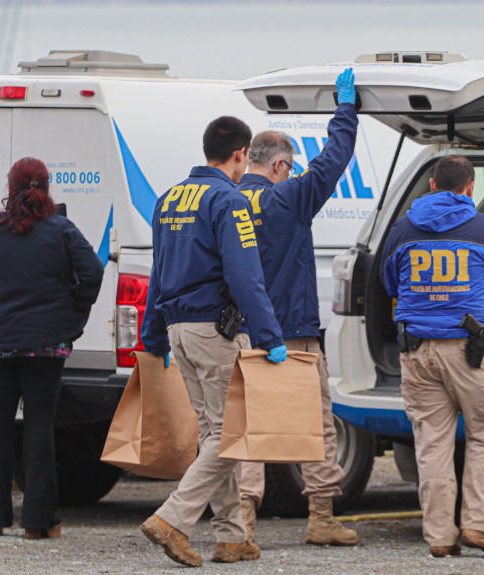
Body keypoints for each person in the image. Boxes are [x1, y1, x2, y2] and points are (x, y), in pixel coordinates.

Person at [137, 116, 286, 567]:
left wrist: (153, 335)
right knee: (229, 435)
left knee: (213, 434)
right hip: (216, 332)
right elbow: (245, 275)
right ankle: (172, 519)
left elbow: (158, 273)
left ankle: (231, 537)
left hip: (180, 331)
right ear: (241, 154)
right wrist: (270, 335)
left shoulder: (169, 199)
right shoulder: (229, 199)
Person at [0, 157, 103, 540]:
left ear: (9, 190)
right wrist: (74, 308)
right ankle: (39, 522)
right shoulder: (62, 229)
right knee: (39, 426)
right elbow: (93, 273)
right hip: (46, 346)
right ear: (47, 189)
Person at [234, 68, 361, 547]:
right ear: (282, 167)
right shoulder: (288, 199)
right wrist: (344, 109)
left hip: (241, 336)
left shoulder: (224, 202)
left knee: (247, 431)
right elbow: (333, 160)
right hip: (293, 333)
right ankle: (321, 517)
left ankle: (244, 523)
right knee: (314, 425)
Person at [381, 155, 484, 557]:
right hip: (472, 350)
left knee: (432, 443)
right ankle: (479, 526)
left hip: (418, 350)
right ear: (470, 187)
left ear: (432, 185)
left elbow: (390, 283)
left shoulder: (402, 228)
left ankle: (440, 536)